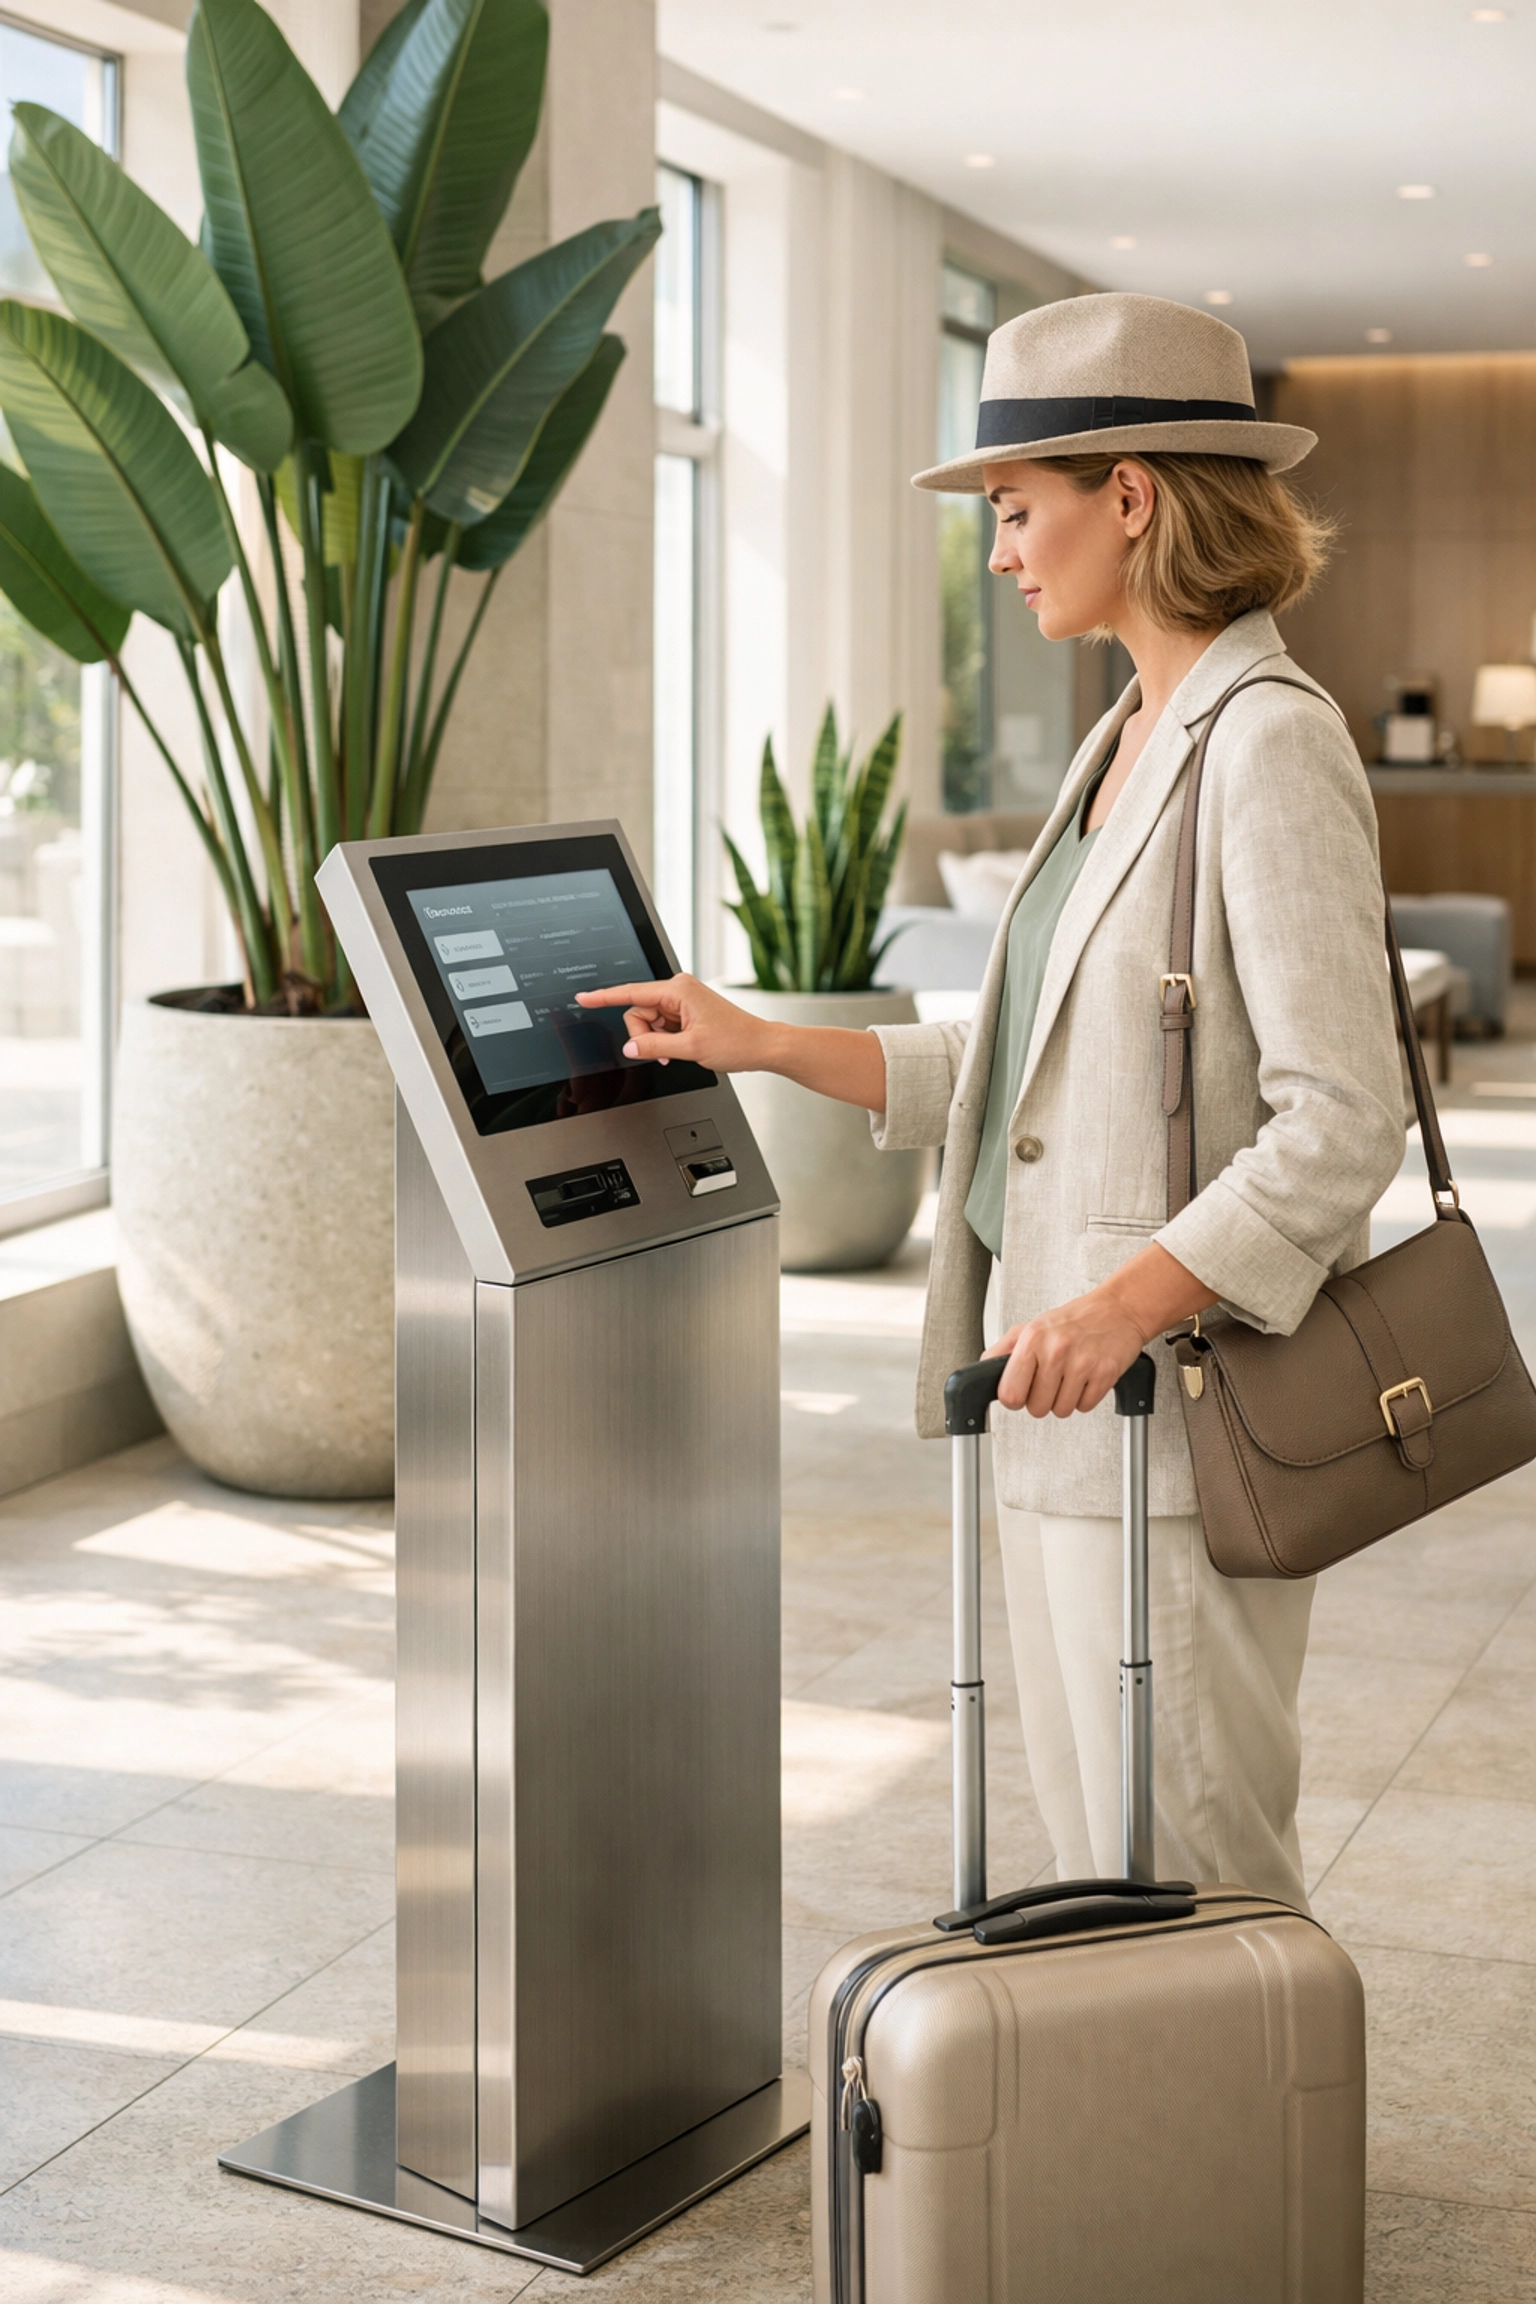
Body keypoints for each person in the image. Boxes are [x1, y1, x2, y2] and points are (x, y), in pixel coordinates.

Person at [578, 292, 1404, 1910]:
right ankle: (1160, 2161)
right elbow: (1034, 1078)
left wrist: (1119, 1306)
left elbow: (1342, 1117)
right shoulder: (1124, 736)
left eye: (1019, 512)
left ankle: (1243, 2167)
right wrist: (761, 1043)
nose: (1004, 552)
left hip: (1171, 1410)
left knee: (1197, 1870)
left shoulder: (1265, 742)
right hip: (1062, 1404)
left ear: (1135, 497)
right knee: (1112, 1866)